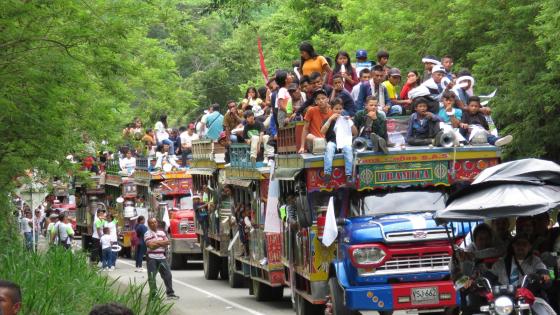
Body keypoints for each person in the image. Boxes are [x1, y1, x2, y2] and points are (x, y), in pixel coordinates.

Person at [321, 98, 358, 184]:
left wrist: (350, 122)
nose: (338, 111)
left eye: (340, 109)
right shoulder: (328, 119)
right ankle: (327, 173)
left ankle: (349, 175)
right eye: (336, 109)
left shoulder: (345, 119)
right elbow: (322, 131)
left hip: (344, 142)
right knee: (329, 148)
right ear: (331, 109)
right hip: (333, 142)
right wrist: (330, 120)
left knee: (348, 149)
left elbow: (355, 133)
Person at [145, 218, 178, 299]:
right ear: (149, 225)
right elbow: (151, 246)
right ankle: (154, 295)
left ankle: (170, 293)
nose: (154, 224)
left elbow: (167, 243)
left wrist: (156, 242)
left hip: (162, 257)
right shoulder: (147, 234)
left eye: (155, 222)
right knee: (152, 277)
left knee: (168, 275)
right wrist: (161, 242)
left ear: (157, 223)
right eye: (151, 223)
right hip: (151, 258)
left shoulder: (162, 232)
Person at [298, 89, 333, 154]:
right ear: (316, 101)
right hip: (314, 142)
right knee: (309, 136)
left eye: (323, 98)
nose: (321, 101)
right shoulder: (311, 110)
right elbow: (305, 128)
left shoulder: (332, 112)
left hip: (327, 141)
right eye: (318, 99)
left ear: (327, 99)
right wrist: (302, 147)